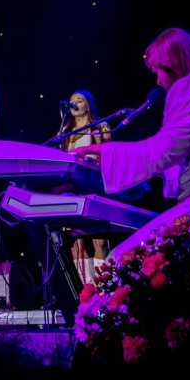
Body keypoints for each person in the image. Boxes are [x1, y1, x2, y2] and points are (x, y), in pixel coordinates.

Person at [75, 28, 190, 261]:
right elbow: (181, 155)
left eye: (158, 71)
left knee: (119, 261)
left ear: (173, 63)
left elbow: (165, 151)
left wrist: (106, 152)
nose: (158, 81)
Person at [59, 90, 111, 283]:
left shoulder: (99, 126)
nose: (74, 104)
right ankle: (87, 288)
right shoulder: (65, 133)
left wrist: (91, 160)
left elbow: (108, 154)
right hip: (71, 188)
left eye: (79, 101)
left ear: (88, 105)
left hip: (93, 185)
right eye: (71, 101)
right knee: (77, 243)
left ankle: (104, 287)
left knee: (99, 239)